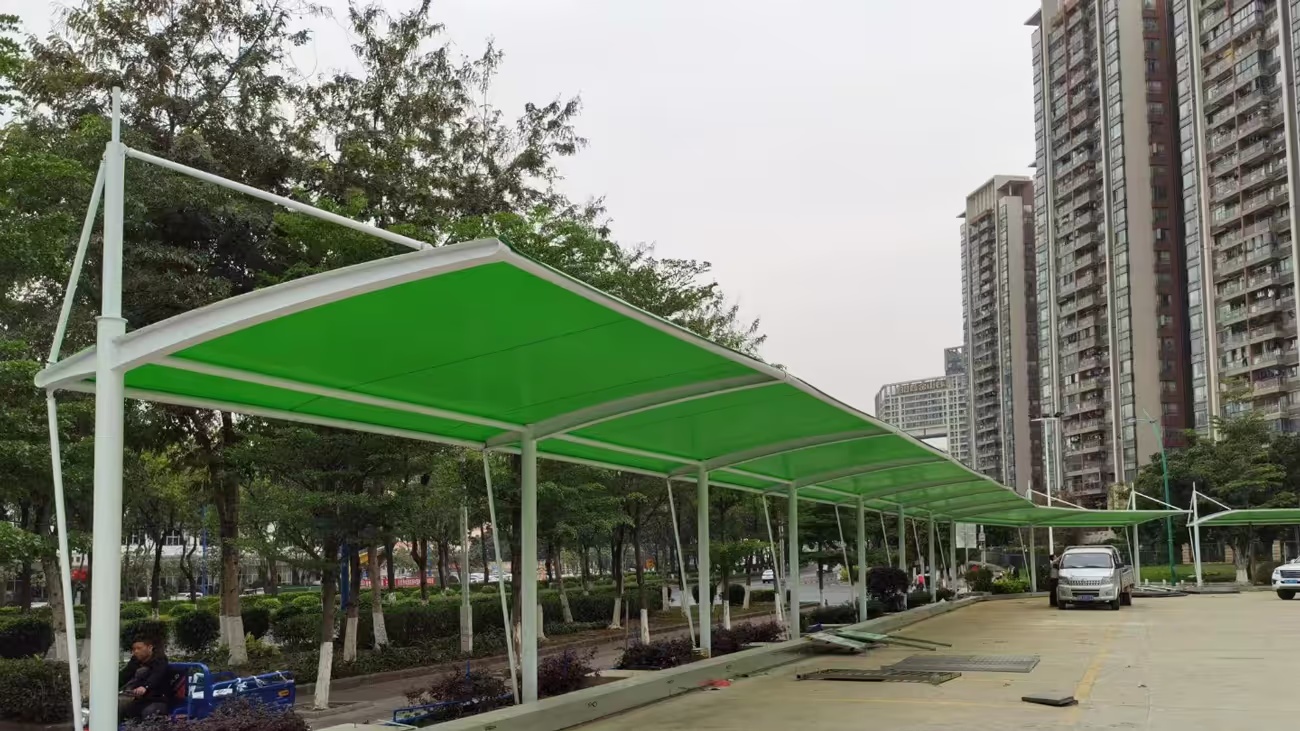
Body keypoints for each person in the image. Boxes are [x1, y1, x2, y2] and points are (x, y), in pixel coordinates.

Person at [119, 636, 171, 722]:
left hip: (158, 700)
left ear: (150, 647)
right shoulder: (135, 660)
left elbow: (157, 675)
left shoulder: (160, 659)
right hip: (139, 699)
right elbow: (125, 674)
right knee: (116, 707)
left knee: (148, 712)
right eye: (134, 649)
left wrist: (145, 686)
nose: (136, 651)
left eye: (139, 648)